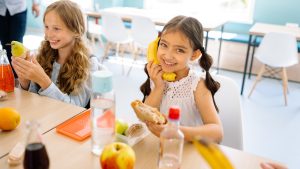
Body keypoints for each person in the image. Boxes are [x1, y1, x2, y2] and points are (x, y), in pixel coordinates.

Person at [140, 15, 223, 142]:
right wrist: (158, 87)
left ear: (194, 54)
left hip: (186, 151)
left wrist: (174, 131)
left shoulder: (197, 85)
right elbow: (144, 119)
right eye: (164, 45)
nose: (168, 55)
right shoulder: (156, 77)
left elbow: (217, 133)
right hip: (160, 148)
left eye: (179, 50)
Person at [12, 0, 98, 107]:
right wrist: (25, 81)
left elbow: (75, 108)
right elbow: (34, 98)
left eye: (56, 29)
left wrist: (43, 80)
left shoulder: (89, 63)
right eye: (46, 27)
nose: (49, 34)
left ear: (76, 31)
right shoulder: (44, 54)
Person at [0, 0, 40, 77]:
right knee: (5, 44)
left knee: (16, 44)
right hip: (1, 10)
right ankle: (8, 74)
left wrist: (36, 3)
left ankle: (18, 76)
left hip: (18, 9)